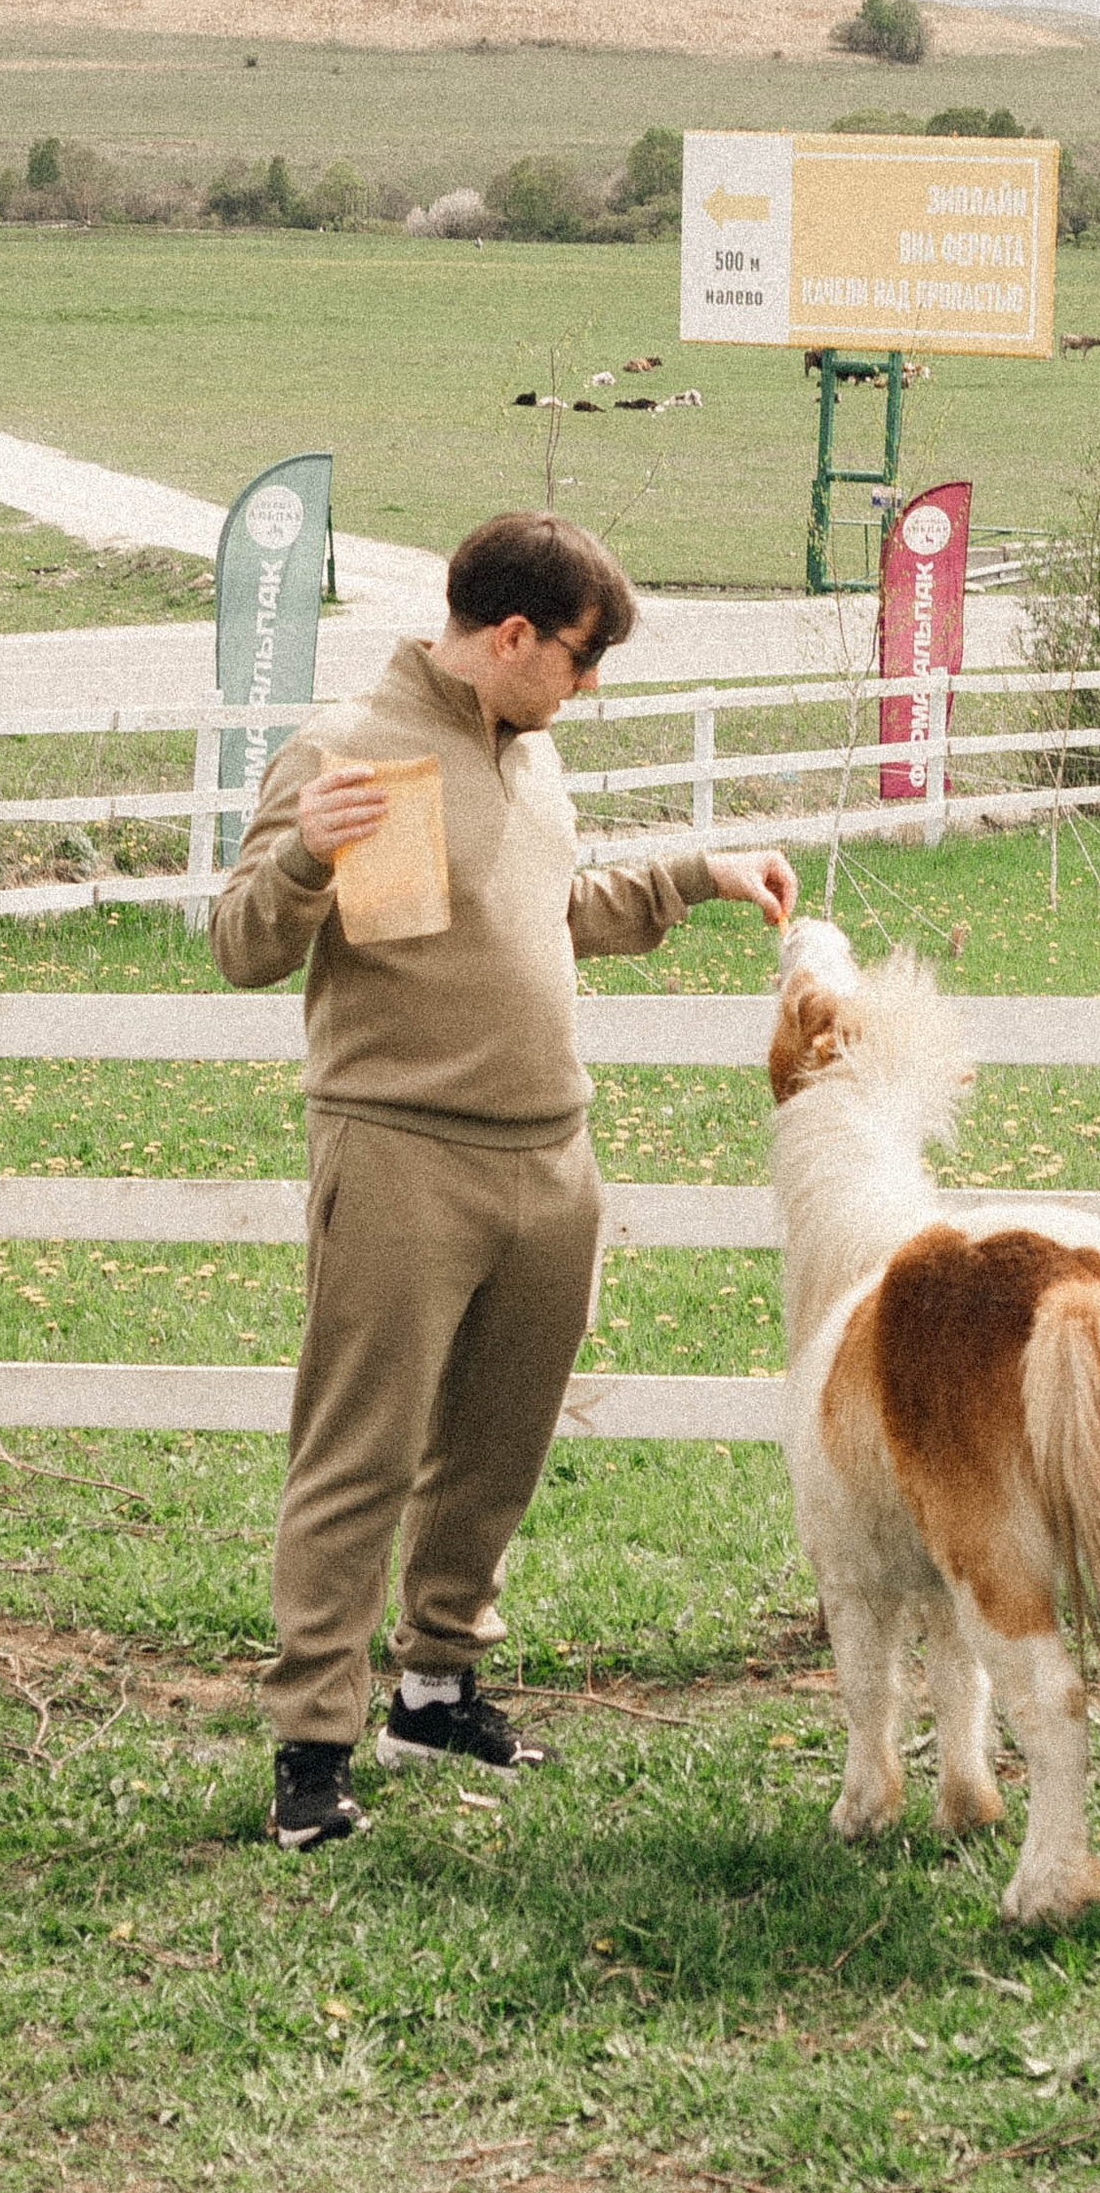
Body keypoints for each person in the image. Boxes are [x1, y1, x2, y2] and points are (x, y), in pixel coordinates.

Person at [211, 510, 795, 1847]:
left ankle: (435, 1685)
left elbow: (551, 908)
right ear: (513, 636)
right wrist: (305, 852)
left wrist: (695, 876)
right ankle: (312, 1747)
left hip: (550, 1157)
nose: (591, 688)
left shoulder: (527, 756)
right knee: (359, 1453)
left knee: (498, 1444)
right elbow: (242, 943)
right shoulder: (351, 759)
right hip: (403, 1155)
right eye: (584, 660)